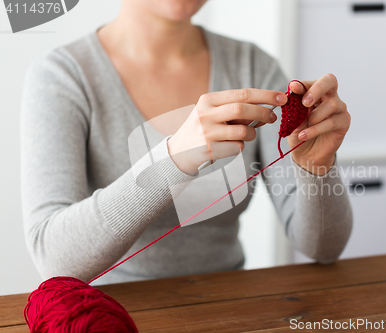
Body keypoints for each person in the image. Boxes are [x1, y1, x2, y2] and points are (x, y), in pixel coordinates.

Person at [20, 0, 353, 285]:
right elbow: (52, 257)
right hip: (111, 317)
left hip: (232, 313)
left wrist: (317, 167)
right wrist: (174, 158)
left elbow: (323, 248)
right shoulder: (62, 76)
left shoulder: (253, 67)